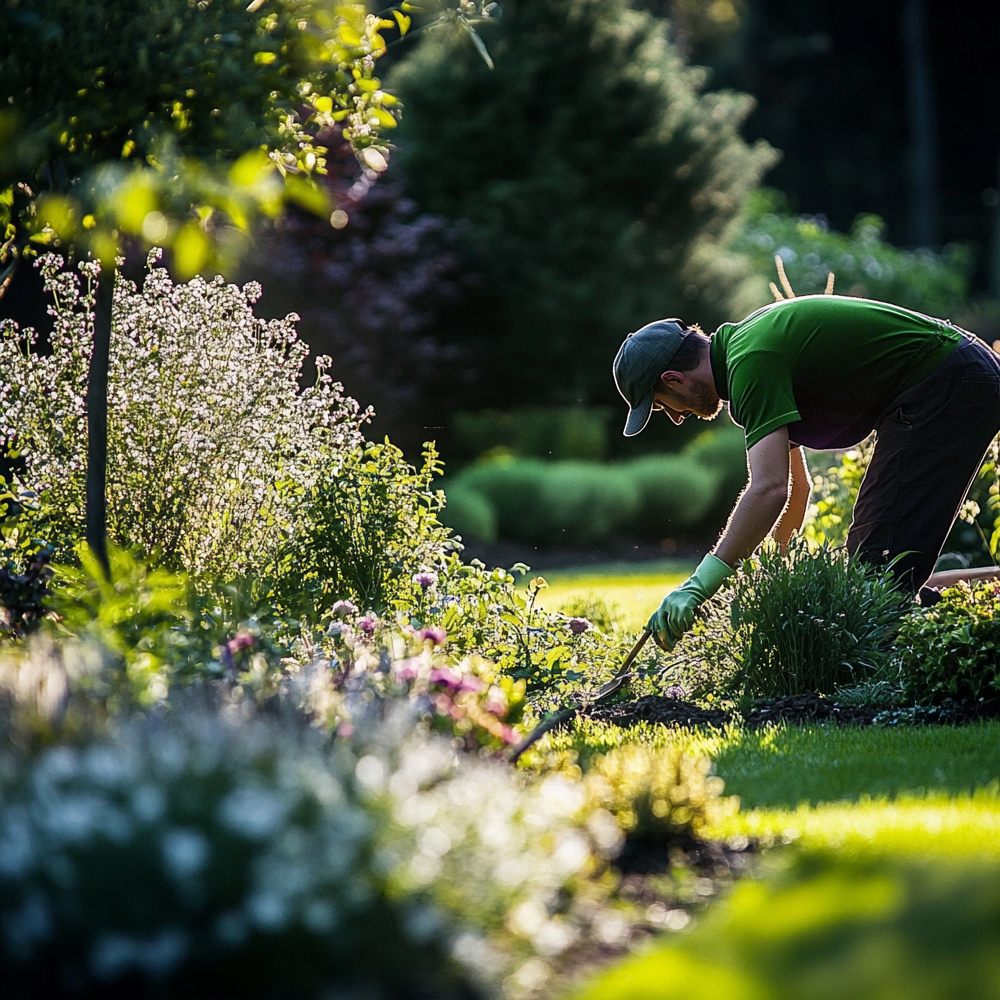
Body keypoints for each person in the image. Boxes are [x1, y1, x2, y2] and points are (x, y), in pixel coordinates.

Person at [612, 294, 1000, 648]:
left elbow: (769, 490)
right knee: (876, 574)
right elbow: (796, 490)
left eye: (663, 405)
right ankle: (968, 621)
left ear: (674, 379)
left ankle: (932, 660)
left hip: (946, 381)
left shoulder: (752, 362)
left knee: (877, 572)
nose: (676, 417)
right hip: (954, 376)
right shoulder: (745, 355)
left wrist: (699, 586)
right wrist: (774, 573)